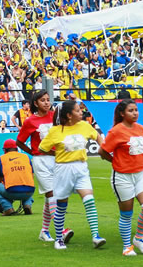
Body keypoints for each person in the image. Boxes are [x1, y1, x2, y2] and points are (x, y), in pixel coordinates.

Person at [39, 99, 106, 251]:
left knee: (89, 200)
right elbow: (42, 148)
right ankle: (59, 239)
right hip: (63, 169)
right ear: (69, 115)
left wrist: (103, 149)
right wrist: (59, 154)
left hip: (82, 167)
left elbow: (97, 136)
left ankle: (96, 236)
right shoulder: (55, 131)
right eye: (77, 110)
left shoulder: (85, 126)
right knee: (62, 205)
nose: (81, 112)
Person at [99, 99, 143, 256]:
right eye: (131, 110)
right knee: (126, 214)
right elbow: (102, 151)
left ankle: (139, 238)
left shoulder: (141, 128)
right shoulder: (116, 131)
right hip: (122, 176)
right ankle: (126, 246)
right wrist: (115, 161)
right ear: (122, 114)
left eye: (136, 110)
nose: (135, 113)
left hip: (141, 173)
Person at [16, 90, 71, 242]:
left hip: (57, 159)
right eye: (43, 100)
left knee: (51, 196)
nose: (46, 103)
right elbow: (19, 141)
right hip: (41, 161)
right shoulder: (30, 121)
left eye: (48, 99)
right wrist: (33, 152)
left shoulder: (55, 117)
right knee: (51, 193)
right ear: (35, 103)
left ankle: (44, 231)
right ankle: (62, 230)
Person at [0, 139, 35, 215]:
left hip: (12, 191)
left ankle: (8, 208)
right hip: (29, 191)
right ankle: (27, 204)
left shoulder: (1, 159)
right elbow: (32, 176)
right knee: (29, 184)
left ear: (5, 150)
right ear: (16, 149)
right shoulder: (26, 157)